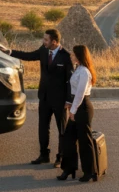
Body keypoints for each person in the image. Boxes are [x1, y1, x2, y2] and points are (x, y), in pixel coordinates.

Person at [11, 29, 72, 167]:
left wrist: (69, 100)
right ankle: (44, 155)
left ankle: (60, 158)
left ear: (54, 42)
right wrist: (10, 52)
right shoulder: (43, 50)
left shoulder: (66, 56)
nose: (43, 41)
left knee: (62, 130)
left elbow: (70, 81)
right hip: (44, 97)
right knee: (43, 127)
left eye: (46, 39)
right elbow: (28, 55)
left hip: (60, 100)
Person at [58, 44, 98, 182]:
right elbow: (75, 92)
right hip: (76, 105)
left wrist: (73, 111)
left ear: (79, 56)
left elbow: (80, 94)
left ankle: (89, 172)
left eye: (73, 54)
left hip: (83, 108)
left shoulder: (85, 72)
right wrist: (70, 104)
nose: (71, 56)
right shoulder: (78, 68)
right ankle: (69, 169)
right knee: (68, 138)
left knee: (84, 141)